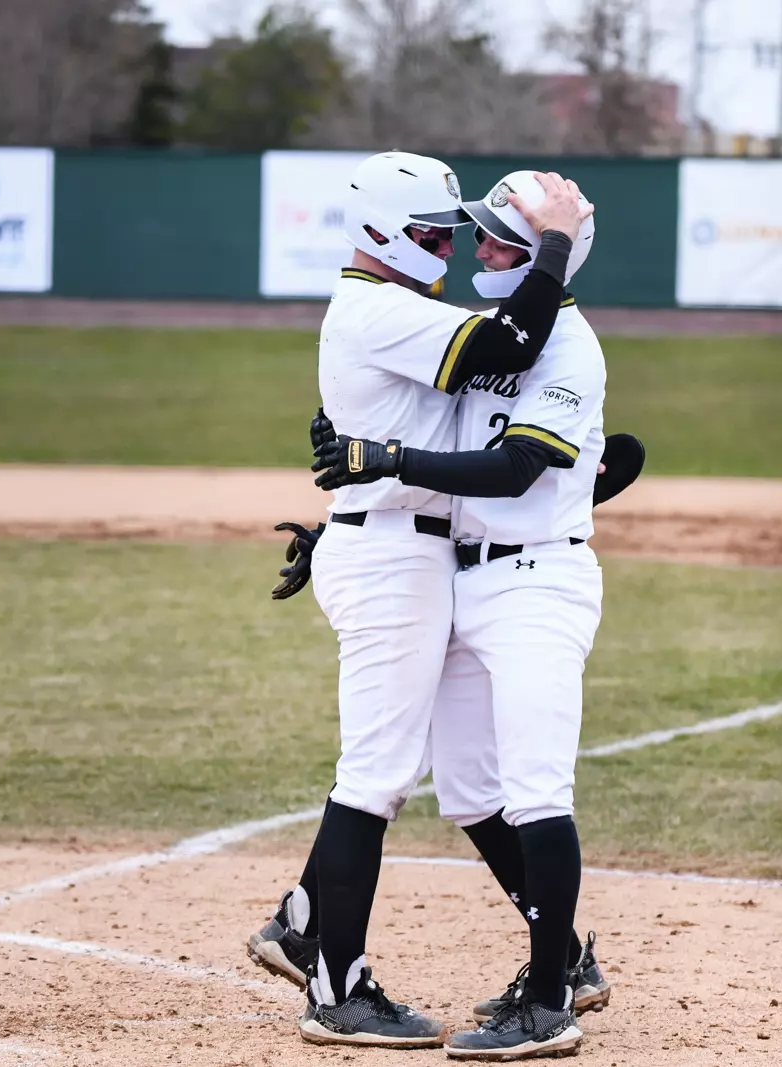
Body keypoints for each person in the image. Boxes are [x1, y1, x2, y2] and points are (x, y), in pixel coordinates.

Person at [259, 170, 614, 1060]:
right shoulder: (384, 310)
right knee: (380, 770)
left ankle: (311, 927)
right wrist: (358, 504)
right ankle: (335, 979)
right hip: (397, 555)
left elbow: (501, 424)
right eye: (435, 236)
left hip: (442, 558)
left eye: (469, 237)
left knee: (435, 774)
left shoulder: (427, 316)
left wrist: (367, 471)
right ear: (380, 232)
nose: (454, 249)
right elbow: (501, 349)